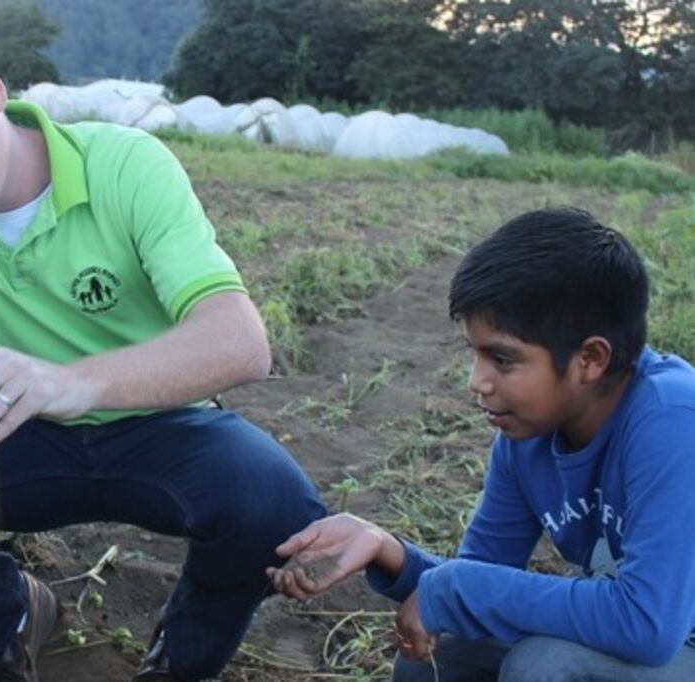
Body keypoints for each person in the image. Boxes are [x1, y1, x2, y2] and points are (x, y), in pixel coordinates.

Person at [0, 16, 327, 682]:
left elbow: (239, 341)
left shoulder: (125, 163)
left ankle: (184, 650)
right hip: (24, 436)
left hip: (162, 424)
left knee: (273, 504)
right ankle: (6, 623)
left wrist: (71, 382)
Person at [268, 208, 695, 681]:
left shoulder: (672, 419)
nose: (478, 383)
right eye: (474, 355)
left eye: (502, 360)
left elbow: (647, 623)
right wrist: (387, 550)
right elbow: (480, 576)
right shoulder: (526, 436)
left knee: (549, 669)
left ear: (590, 358)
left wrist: (455, 588)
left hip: (675, 639)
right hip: (648, 641)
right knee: (437, 662)